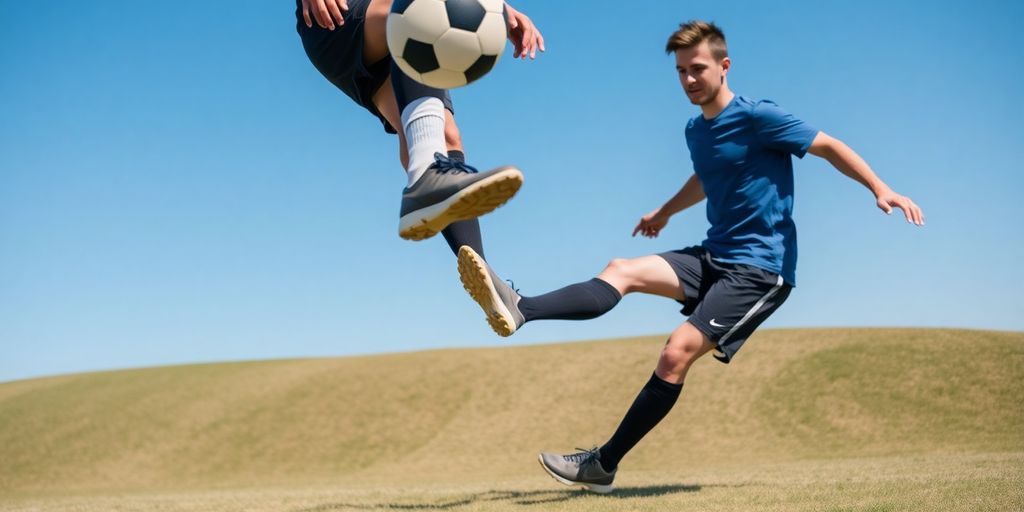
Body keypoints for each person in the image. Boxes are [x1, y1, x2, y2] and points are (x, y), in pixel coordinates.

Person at [456, 20, 924, 493]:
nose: (689, 80)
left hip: (761, 269)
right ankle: (521, 309)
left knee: (676, 352)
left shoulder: (760, 116)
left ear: (724, 66)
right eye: (680, 71)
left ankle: (603, 463)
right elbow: (704, 177)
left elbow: (827, 145)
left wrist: (880, 189)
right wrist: (663, 211)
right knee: (622, 270)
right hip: (714, 255)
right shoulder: (695, 130)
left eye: (697, 69)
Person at [296, 0, 544, 252]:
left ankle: (488, 281)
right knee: (424, 14)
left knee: (446, 140)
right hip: (338, 12)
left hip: (391, 25)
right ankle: (426, 173)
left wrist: (496, 9)